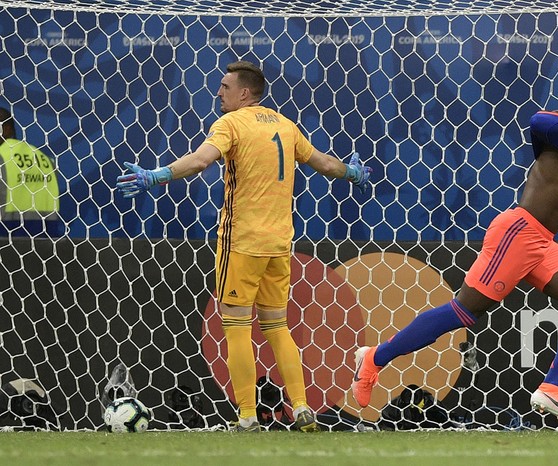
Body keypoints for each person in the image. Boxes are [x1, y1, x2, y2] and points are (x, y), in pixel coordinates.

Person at [116, 60, 371, 432]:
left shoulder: (230, 124)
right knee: (277, 326)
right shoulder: (286, 125)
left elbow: (201, 161)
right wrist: (353, 172)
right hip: (279, 244)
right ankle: (301, 407)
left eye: (224, 86)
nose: (219, 92)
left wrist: (155, 176)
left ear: (244, 93)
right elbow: (326, 165)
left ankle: (248, 415)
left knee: (235, 327)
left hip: (242, 243)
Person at [352, 78, 558, 426]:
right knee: (462, 312)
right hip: (518, 233)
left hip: (542, 241)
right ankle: (375, 357)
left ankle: (553, 389)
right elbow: (537, 120)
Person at [0, 107, 60, 223]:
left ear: (7, 129)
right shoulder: (43, 158)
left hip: (6, 231)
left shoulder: (2, 156)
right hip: (46, 232)